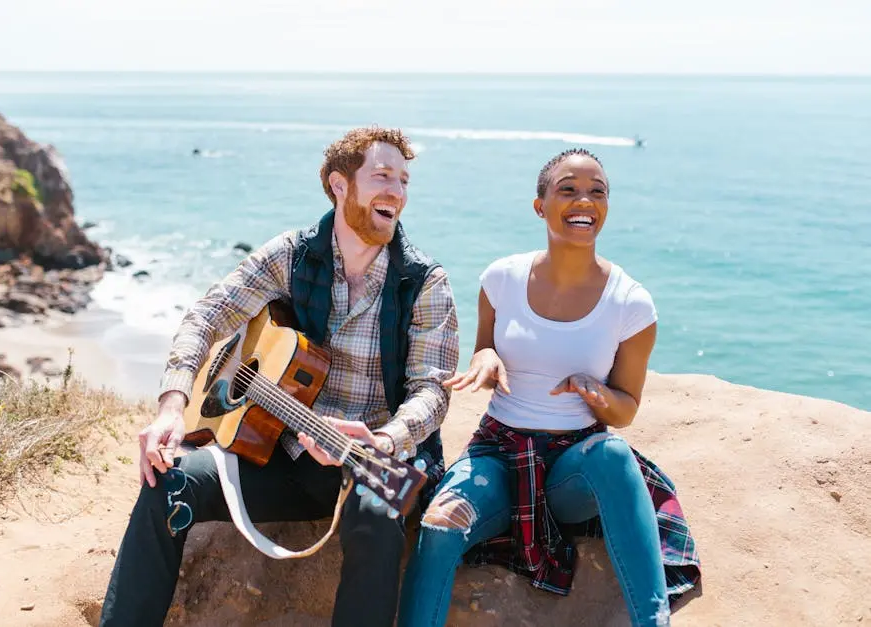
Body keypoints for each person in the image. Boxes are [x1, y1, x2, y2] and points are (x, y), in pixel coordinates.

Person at [99, 126, 459, 627]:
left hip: (364, 457)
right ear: (339, 185)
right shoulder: (291, 255)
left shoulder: (423, 281)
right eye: (382, 176)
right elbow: (208, 316)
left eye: (403, 181)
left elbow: (432, 391)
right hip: (270, 452)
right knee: (168, 482)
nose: (395, 192)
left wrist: (387, 437)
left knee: (378, 519)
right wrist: (172, 406)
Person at [397, 148, 700, 627]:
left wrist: (597, 394)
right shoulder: (501, 278)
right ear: (540, 205)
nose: (585, 201)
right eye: (568, 189)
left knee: (615, 455)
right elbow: (482, 349)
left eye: (597, 191)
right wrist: (488, 358)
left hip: (572, 465)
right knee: (439, 525)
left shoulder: (631, 304)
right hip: (497, 452)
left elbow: (625, 410)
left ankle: (653, 621)